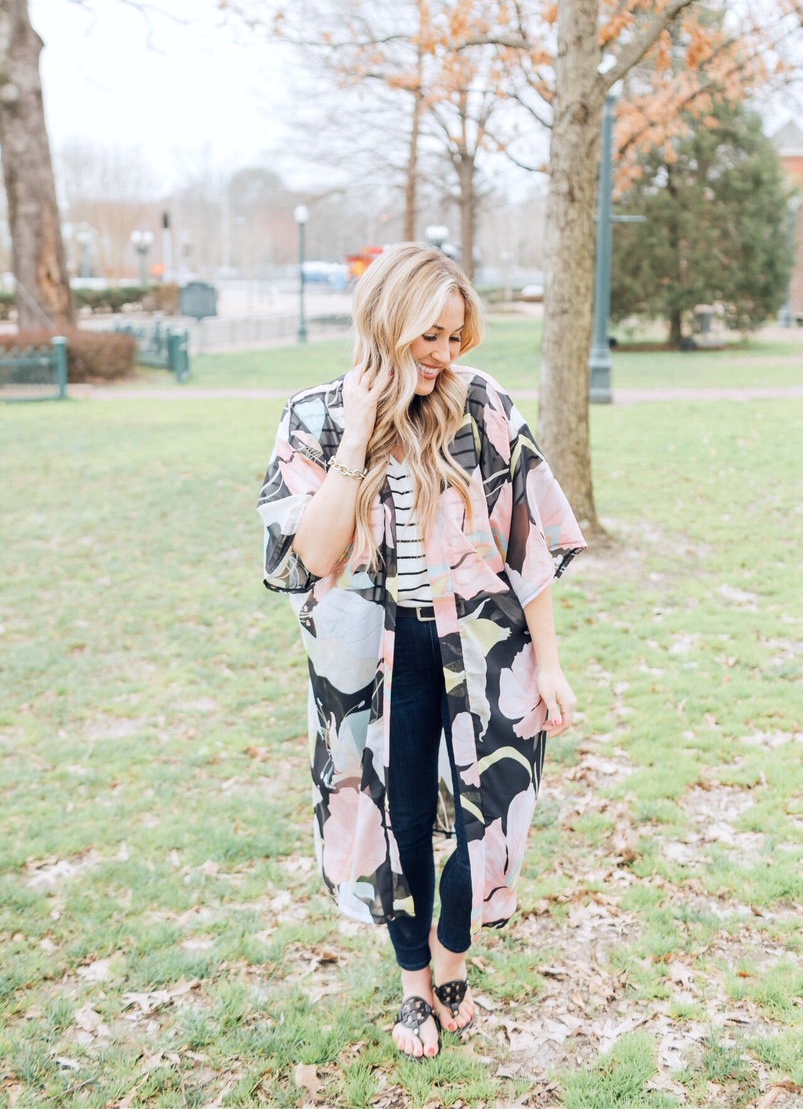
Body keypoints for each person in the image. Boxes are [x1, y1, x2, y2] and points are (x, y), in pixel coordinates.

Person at [258, 243, 586, 1060]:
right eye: (429, 337)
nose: (444, 356)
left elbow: (530, 544)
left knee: (490, 817)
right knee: (394, 818)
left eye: (455, 338)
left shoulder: (483, 407)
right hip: (372, 659)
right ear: (386, 322)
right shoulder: (315, 417)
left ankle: (453, 959)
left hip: (481, 645)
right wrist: (359, 437)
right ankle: (413, 984)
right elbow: (314, 556)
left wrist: (548, 661)